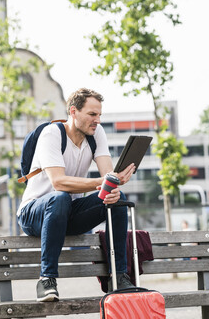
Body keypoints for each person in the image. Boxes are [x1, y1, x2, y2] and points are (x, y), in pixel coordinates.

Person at [17, 88, 136, 302]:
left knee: (118, 200)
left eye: (99, 115)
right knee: (61, 196)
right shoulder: (52, 134)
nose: (97, 120)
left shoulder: (96, 133)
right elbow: (58, 182)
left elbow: (107, 177)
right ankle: (47, 279)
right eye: (92, 114)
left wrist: (115, 182)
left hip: (68, 214)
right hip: (33, 213)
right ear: (73, 111)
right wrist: (104, 182)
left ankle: (117, 277)